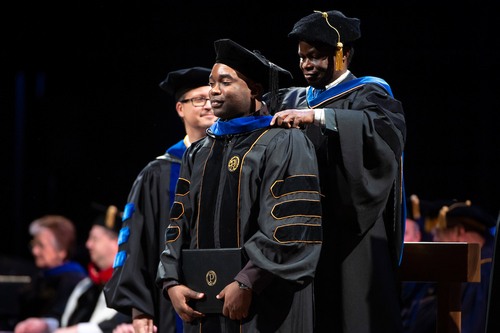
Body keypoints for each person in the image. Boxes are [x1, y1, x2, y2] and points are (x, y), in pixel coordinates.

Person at [156, 38, 322, 333]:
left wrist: (247, 281)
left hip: (266, 304)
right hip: (203, 304)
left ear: (254, 90)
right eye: (211, 82)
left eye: (225, 82)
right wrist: (171, 282)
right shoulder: (200, 151)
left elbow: (291, 226)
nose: (213, 91)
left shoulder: (284, 142)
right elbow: (178, 222)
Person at [269, 10, 407, 333]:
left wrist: (319, 119)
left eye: (315, 57)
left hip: (351, 237)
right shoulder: (294, 98)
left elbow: (384, 137)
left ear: (341, 55)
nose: (305, 64)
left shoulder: (370, 94)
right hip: (303, 233)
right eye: (302, 57)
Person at [104, 67, 217, 333]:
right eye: (199, 99)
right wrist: (139, 308)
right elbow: (135, 242)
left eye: (212, 97)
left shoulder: (235, 163)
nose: (209, 105)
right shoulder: (158, 172)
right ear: (181, 109)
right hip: (170, 301)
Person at [402, 200, 496, 333]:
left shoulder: (481, 275)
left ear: (458, 232)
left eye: (437, 235)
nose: (434, 241)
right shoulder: (455, 269)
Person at [15, 215, 87, 332]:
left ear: (61, 252)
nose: (35, 251)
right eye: (34, 244)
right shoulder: (40, 277)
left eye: (41, 246)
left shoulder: (75, 281)